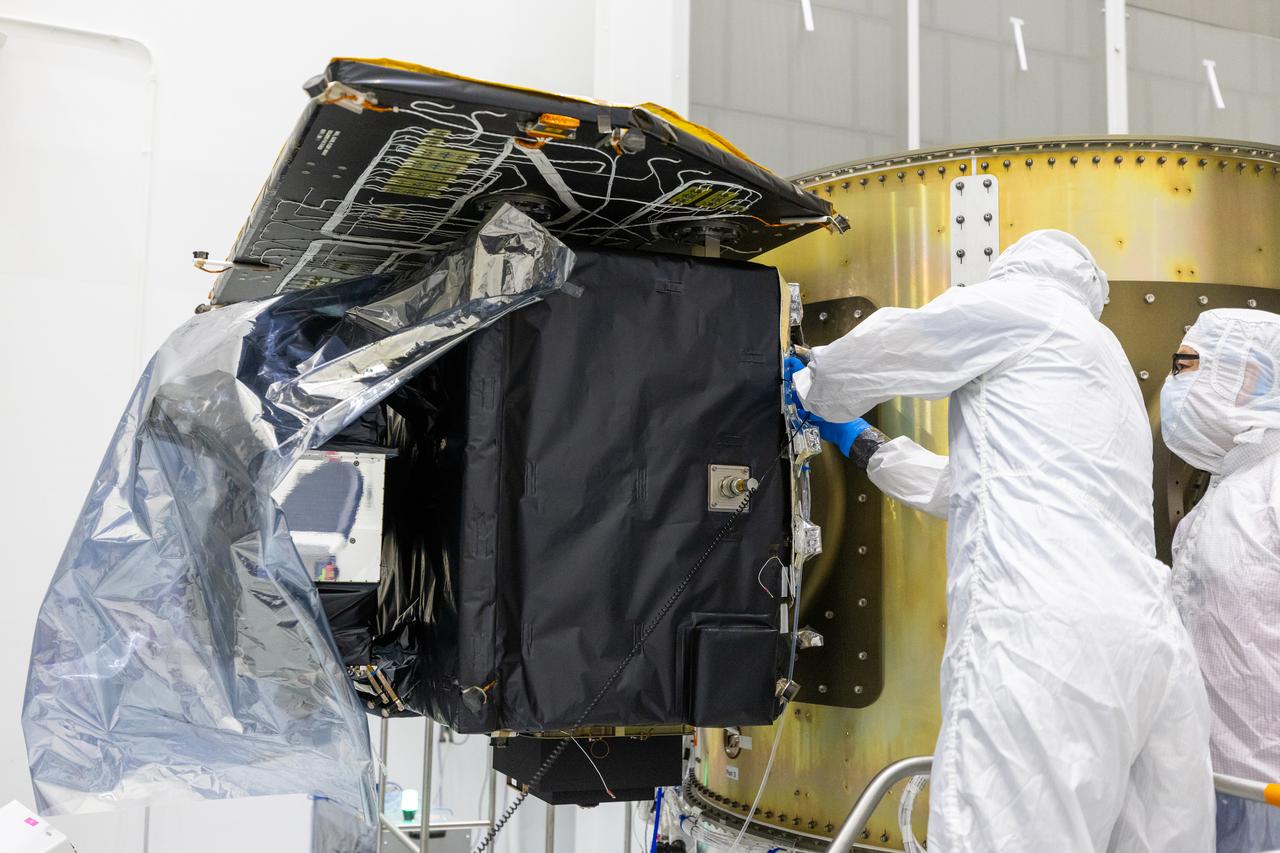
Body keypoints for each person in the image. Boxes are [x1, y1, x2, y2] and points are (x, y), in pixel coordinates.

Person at [787, 229, 1213, 851]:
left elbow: (894, 345)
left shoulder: (1024, 304)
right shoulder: (1104, 357)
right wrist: (867, 446)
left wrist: (810, 385)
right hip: (1146, 643)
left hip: (1042, 639)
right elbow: (975, 484)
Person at [1162, 308, 1280, 852]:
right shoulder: (1227, 490)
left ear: (1249, 375)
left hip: (1268, 794)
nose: (1173, 385)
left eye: (1185, 367)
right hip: (1212, 786)